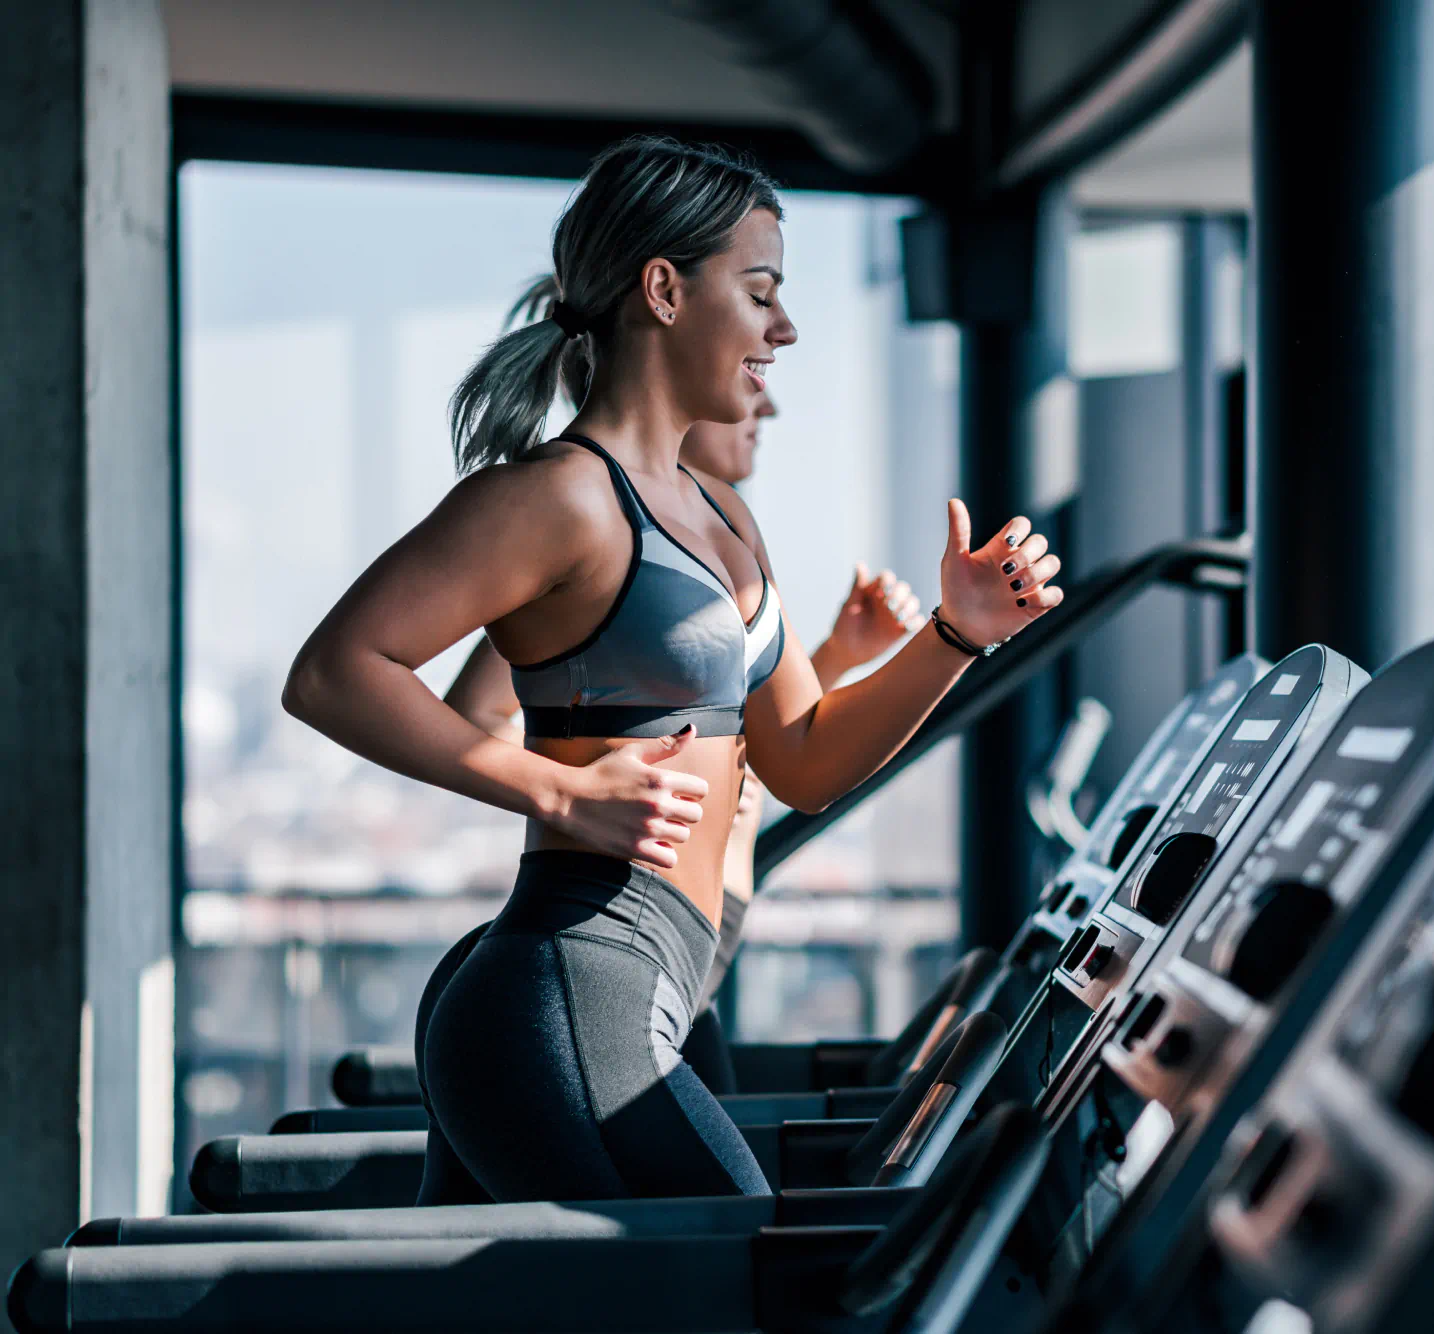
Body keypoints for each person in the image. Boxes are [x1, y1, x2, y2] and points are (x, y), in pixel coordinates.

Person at [282, 135, 1062, 1205]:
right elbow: (334, 672)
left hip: (651, 988)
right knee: (746, 1267)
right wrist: (555, 786)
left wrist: (956, 636)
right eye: (759, 292)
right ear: (664, 288)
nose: (783, 328)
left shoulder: (725, 514)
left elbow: (805, 758)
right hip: (570, 980)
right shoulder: (559, 496)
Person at [445, 381, 922, 1096]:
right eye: (749, 382)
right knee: (716, 1198)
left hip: (688, 940)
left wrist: (836, 655)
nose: (768, 405)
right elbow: (479, 707)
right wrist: (572, 792)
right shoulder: (594, 544)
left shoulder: (723, 536)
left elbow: (744, 734)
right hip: (613, 939)